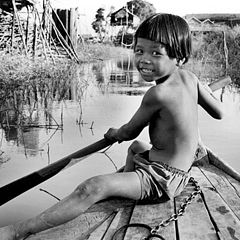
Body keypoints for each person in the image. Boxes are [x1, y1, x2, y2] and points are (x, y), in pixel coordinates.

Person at [0, 13, 224, 240]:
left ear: (180, 59)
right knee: (137, 147)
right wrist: (200, 89)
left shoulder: (157, 93)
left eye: (156, 53)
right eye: (139, 51)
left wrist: (114, 133)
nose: (144, 59)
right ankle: (125, 188)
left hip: (162, 180)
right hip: (179, 173)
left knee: (91, 187)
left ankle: (17, 231)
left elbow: (128, 132)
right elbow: (219, 112)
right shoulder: (191, 78)